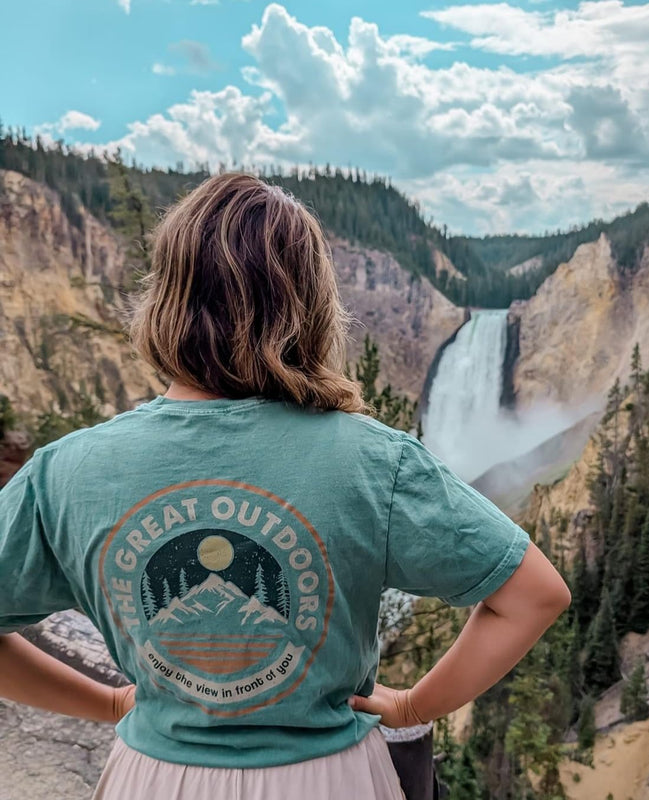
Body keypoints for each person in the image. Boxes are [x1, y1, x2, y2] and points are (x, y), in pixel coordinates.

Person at [0, 173, 571, 799]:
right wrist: (410, 707)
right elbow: (534, 595)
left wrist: (111, 703)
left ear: (165, 298)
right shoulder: (374, 461)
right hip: (333, 778)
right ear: (311, 305)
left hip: (153, 777)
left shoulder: (66, 470)